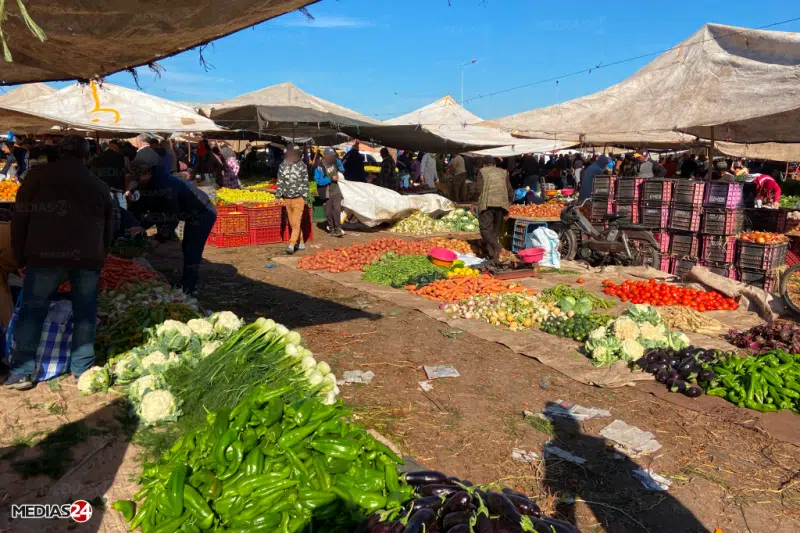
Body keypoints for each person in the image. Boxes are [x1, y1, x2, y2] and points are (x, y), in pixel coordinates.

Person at [7, 135, 113, 390]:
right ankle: (82, 368)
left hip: (45, 256)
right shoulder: (98, 185)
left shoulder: (36, 177)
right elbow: (110, 226)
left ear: (59, 153)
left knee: (33, 312)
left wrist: (19, 255)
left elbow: (20, 219)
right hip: (87, 258)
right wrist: (101, 255)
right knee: (85, 313)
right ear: (87, 156)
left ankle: (22, 372)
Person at [127, 159, 217, 294]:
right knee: (187, 247)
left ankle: (189, 286)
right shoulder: (149, 183)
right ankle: (187, 282)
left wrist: (159, 238)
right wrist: (142, 226)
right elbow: (153, 209)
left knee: (191, 248)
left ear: (148, 173)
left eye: (138, 178)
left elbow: (171, 217)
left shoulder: (166, 186)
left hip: (202, 213)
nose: (137, 181)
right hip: (186, 212)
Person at [476, 156, 513, 262]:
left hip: (487, 204)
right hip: (501, 205)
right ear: (494, 164)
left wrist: (474, 202)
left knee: (485, 230)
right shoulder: (503, 172)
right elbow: (510, 190)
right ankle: (493, 256)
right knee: (494, 232)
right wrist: (509, 204)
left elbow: (478, 189)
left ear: (484, 165)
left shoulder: (482, 172)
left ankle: (498, 247)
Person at [276, 145, 310, 255]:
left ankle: (291, 245)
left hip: (298, 198)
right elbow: (280, 181)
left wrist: (304, 196)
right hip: (287, 198)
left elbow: (305, 182)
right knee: (292, 223)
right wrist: (278, 196)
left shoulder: (302, 166)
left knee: (295, 223)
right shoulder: (282, 166)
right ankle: (301, 241)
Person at [315, 148, 345, 237]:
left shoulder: (336, 161)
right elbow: (319, 181)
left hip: (336, 190)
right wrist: (331, 179)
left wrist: (341, 173)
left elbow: (342, 169)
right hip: (326, 192)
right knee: (329, 212)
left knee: (337, 209)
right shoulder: (320, 167)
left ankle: (338, 228)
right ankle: (331, 229)